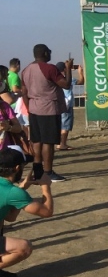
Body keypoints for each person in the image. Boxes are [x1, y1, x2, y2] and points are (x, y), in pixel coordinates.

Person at [20, 44, 72, 182]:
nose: (50, 54)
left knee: (36, 141)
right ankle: (48, 172)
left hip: (34, 108)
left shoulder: (26, 70)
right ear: (44, 53)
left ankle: (38, 172)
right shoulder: (50, 68)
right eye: (49, 52)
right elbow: (66, 84)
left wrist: (29, 108)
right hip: (48, 108)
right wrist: (68, 69)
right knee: (48, 142)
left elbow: (24, 93)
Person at [0, 148, 53, 277]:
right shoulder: (12, 192)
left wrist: (21, 189)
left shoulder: (11, 191)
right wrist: (46, 187)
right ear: (17, 168)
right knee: (24, 247)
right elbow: (47, 212)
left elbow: (10, 217)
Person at [56, 61, 84, 151]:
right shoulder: (68, 79)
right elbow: (81, 82)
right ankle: (63, 144)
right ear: (65, 69)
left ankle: (59, 143)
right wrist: (80, 73)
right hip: (67, 104)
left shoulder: (56, 79)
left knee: (60, 124)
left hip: (58, 104)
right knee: (66, 125)